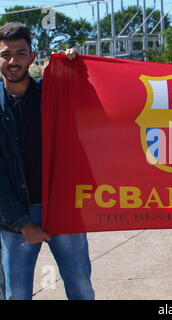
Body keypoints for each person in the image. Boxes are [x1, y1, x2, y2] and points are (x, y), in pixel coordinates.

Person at [0, 22, 95, 300]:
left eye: (20, 53)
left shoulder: (53, 94)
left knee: (81, 289)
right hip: (16, 218)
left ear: (32, 56)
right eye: (6, 54)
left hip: (64, 209)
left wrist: (76, 66)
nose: (13, 60)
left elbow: (90, 96)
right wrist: (23, 224)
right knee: (16, 295)